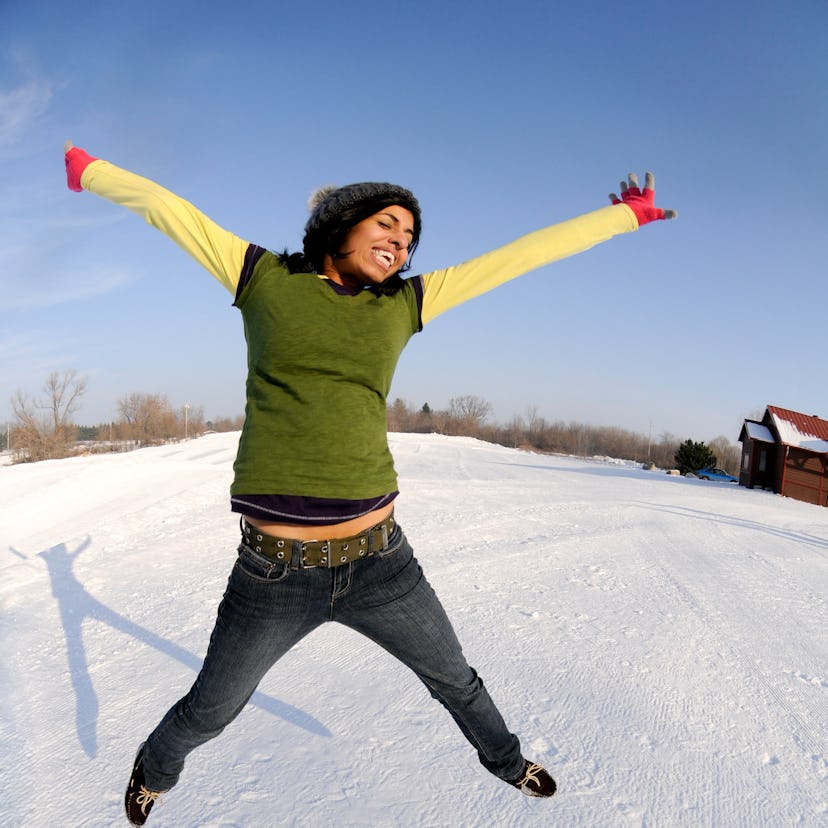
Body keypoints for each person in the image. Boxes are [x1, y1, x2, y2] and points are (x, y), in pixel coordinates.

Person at [63, 142, 675, 825]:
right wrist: (92, 172)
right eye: (387, 223)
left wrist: (623, 219)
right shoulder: (262, 278)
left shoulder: (403, 304)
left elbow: (515, 258)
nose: (401, 241)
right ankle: (155, 769)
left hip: (382, 562)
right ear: (340, 224)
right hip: (274, 574)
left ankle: (506, 761)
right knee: (212, 707)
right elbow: (172, 212)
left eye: (409, 236)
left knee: (456, 680)